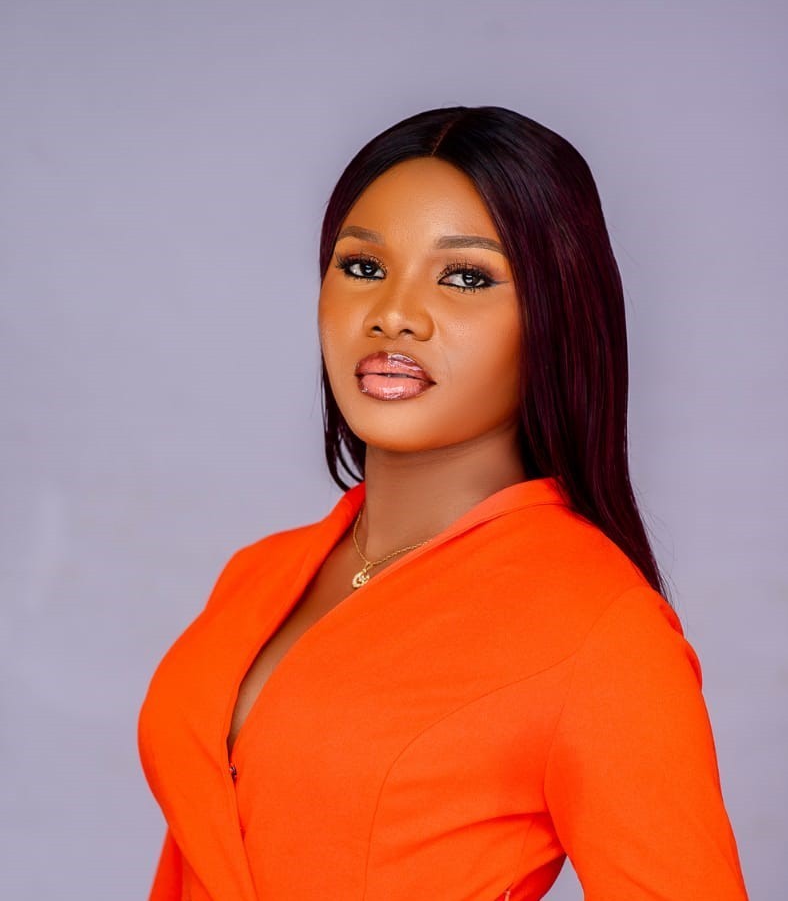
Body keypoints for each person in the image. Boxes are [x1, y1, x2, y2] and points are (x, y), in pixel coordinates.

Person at [138, 105, 750, 900]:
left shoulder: (601, 632)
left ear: (555, 316)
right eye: (363, 266)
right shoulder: (256, 574)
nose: (393, 313)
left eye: (466, 278)